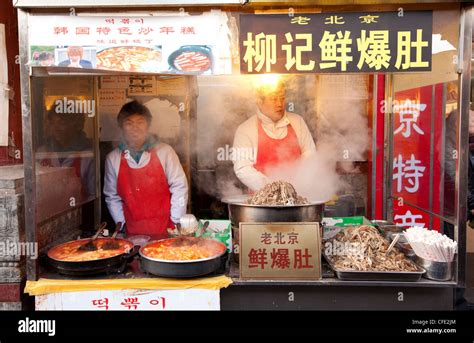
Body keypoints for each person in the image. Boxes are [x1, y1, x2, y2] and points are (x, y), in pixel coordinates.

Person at [103, 100, 188, 239]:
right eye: (129, 123)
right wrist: (123, 224)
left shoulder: (165, 152)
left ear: (148, 125)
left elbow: (179, 186)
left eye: (140, 122)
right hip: (131, 230)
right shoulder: (113, 158)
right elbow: (112, 196)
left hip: (166, 227)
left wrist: (176, 220)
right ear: (121, 127)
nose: (135, 127)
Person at [232, 79, 316, 191]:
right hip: (262, 201)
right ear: (259, 101)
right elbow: (242, 168)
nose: (279, 104)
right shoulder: (246, 130)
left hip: (298, 196)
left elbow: (310, 155)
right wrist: (274, 190)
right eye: (273, 98)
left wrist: (299, 184)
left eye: (282, 98)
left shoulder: (297, 122)